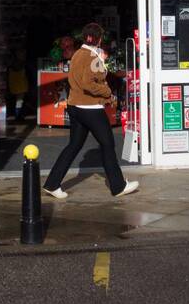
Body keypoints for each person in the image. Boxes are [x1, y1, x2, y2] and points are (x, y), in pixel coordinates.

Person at [43, 22, 138, 200]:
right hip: (90, 109)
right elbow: (89, 83)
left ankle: (52, 183)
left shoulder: (79, 53)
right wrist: (107, 92)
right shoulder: (93, 57)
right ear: (99, 39)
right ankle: (118, 186)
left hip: (75, 107)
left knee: (73, 146)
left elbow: (77, 80)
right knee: (108, 145)